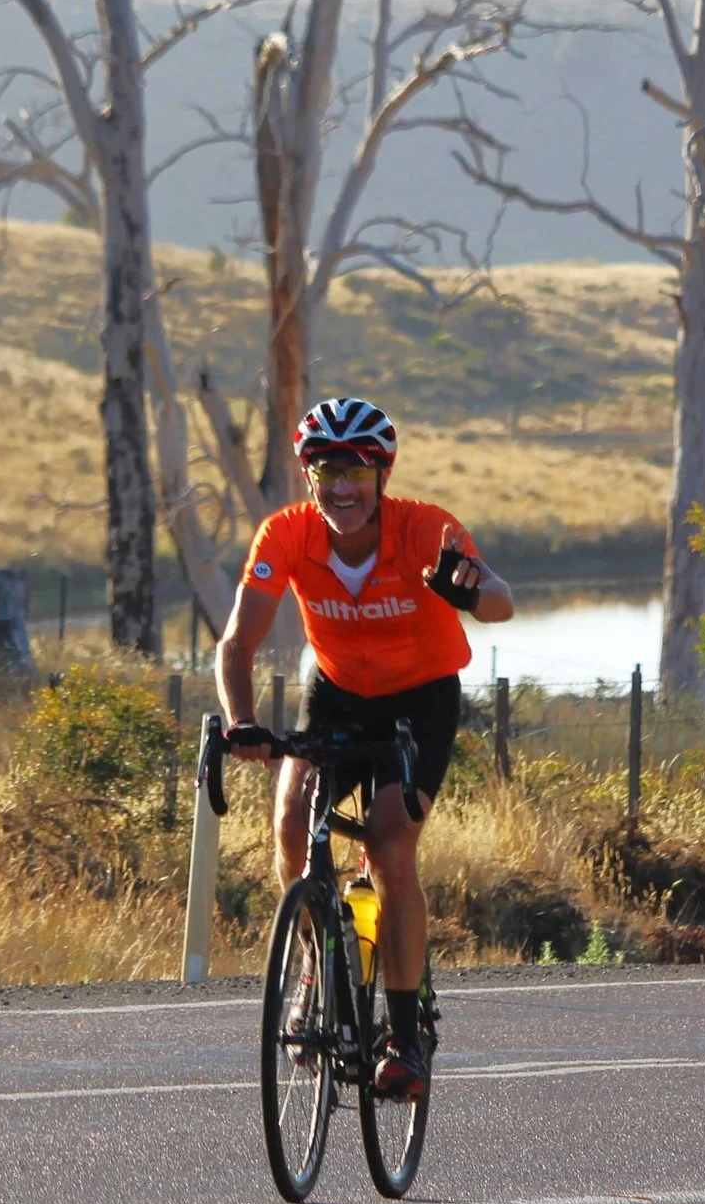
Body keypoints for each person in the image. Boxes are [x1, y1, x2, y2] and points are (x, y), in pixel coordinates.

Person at [216, 396, 513, 1098]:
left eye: (356, 472)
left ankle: (403, 1037)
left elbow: (501, 598)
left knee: (387, 844)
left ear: (382, 475)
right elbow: (236, 642)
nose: (342, 488)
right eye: (327, 472)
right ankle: (315, 966)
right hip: (339, 693)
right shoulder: (287, 533)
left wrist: (469, 594)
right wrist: (242, 720)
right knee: (291, 819)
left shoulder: (425, 528)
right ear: (309, 476)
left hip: (421, 700)